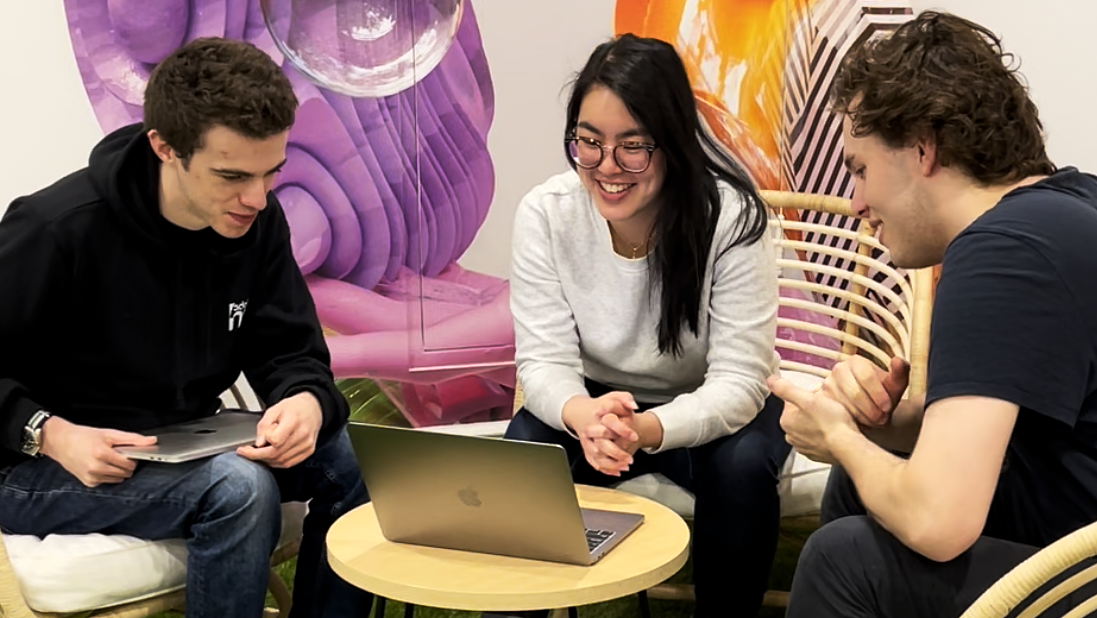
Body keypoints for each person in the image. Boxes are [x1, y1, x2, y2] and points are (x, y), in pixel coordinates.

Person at [0, 38, 373, 617]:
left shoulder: (256, 221)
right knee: (238, 490)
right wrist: (47, 432)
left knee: (356, 460)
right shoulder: (55, 230)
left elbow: (291, 350)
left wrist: (305, 401)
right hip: (40, 463)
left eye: (271, 172)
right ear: (164, 147)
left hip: (183, 440)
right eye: (231, 176)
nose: (257, 198)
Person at [768, 11, 1097, 618]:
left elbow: (937, 520)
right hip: (1076, 536)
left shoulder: (1003, 252)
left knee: (845, 562)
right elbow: (1033, 434)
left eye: (861, 169)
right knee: (869, 474)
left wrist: (838, 434)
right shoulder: (1065, 208)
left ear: (923, 147)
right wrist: (880, 423)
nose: (855, 201)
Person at [506, 33, 789, 617]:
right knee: (523, 458)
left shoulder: (734, 220)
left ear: (674, 143)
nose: (607, 168)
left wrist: (644, 429)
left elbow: (739, 382)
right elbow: (543, 363)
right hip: (595, 405)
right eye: (588, 142)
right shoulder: (546, 213)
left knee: (741, 468)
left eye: (633, 147)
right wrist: (586, 417)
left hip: (713, 407)